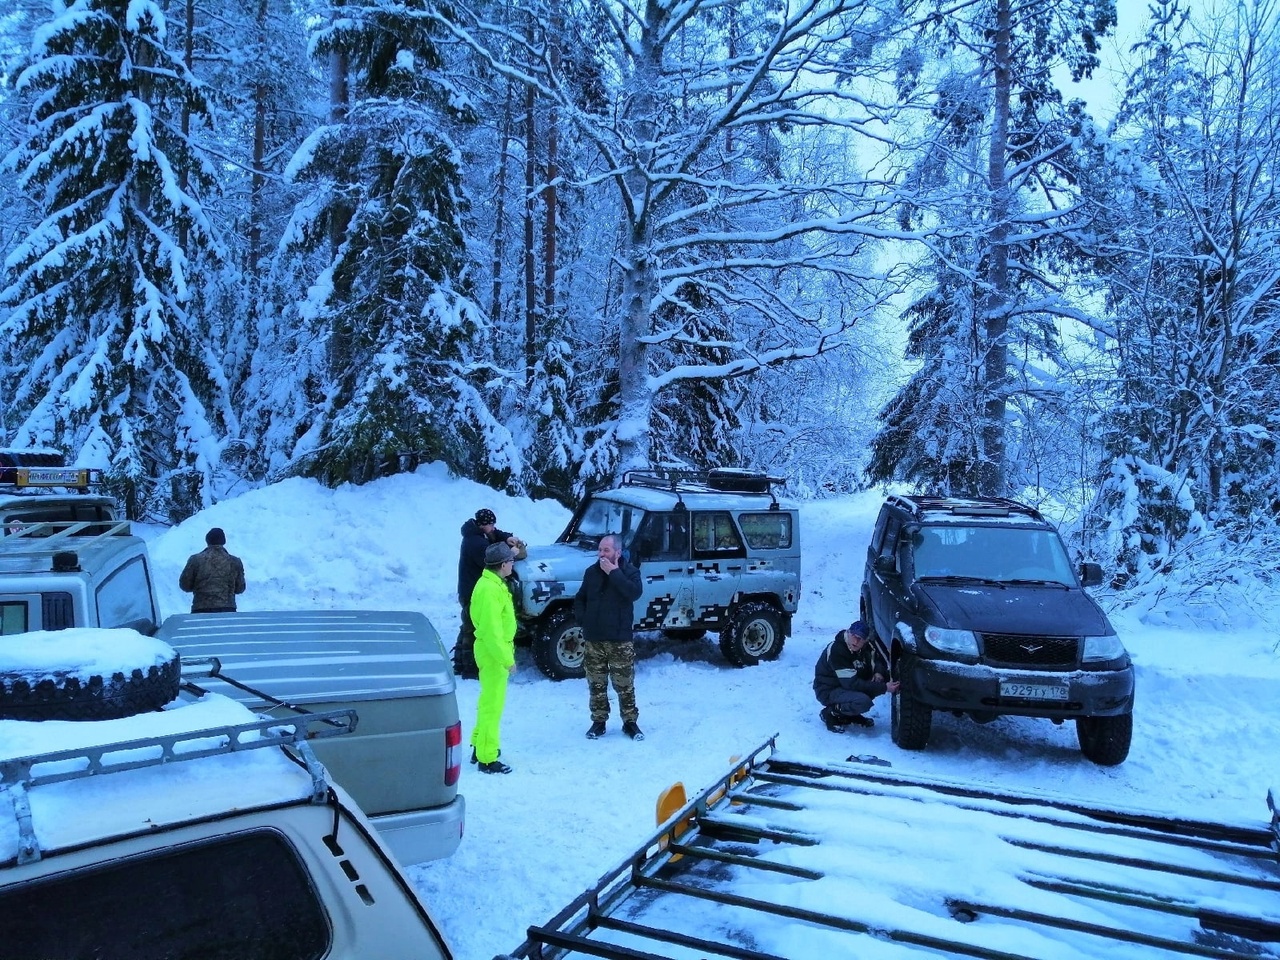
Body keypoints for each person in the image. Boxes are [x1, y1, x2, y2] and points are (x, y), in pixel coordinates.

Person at [573, 534, 644, 740]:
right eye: (600, 550)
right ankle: (598, 722)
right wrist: (583, 619)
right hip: (594, 638)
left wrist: (614, 573)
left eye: (606, 550)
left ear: (617, 552)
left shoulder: (630, 572)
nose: (601, 554)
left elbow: (634, 593)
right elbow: (580, 598)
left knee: (624, 684)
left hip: (619, 639)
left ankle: (630, 722)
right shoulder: (591, 572)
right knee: (596, 683)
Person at [455, 508, 524, 679]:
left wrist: (506, 538)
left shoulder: (477, 533)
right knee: (473, 630)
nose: (493, 527)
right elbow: (492, 560)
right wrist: (511, 554)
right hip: (472, 592)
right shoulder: (476, 543)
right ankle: (470, 669)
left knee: (468, 625)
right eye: (491, 524)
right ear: (482, 525)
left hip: (471, 590)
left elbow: (494, 534)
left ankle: (459, 663)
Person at [470, 541, 518, 774]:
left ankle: (479, 743)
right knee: (493, 706)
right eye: (511, 561)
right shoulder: (490, 589)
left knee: (488, 702)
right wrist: (507, 659)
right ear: (502, 564)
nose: (513, 564)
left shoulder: (491, 583)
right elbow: (492, 632)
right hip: (493, 654)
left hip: (491, 651)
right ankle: (487, 758)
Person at [813, 620, 899, 732]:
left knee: (878, 682)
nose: (856, 641)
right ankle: (830, 713)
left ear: (865, 640)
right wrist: (884, 688)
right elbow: (851, 684)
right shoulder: (837, 650)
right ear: (848, 633)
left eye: (860, 638)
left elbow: (879, 660)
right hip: (828, 689)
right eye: (854, 636)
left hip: (846, 684)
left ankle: (850, 714)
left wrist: (878, 673)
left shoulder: (867, 646)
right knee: (863, 701)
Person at [178, 527, 246, 613]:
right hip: (228, 609)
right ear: (224, 541)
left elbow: (185, 585)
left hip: (200, 609)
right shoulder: (234, 561)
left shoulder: (195, 560)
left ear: (207, 540)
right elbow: (240, 588)